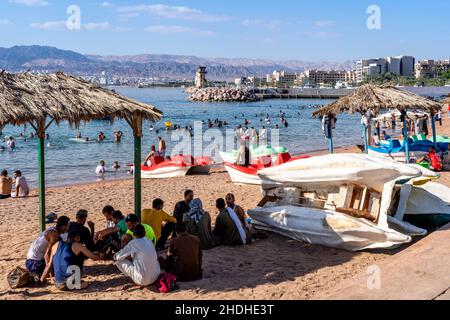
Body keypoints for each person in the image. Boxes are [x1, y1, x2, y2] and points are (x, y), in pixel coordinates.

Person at [26, 216, 70, 280]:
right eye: (67, 226)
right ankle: (42, 273)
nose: (68, 228)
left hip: (29, 262)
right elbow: (47, 255)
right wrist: (49, 270)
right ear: (63, 226)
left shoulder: (52, 229)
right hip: (33, 264)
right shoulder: (54, 235)